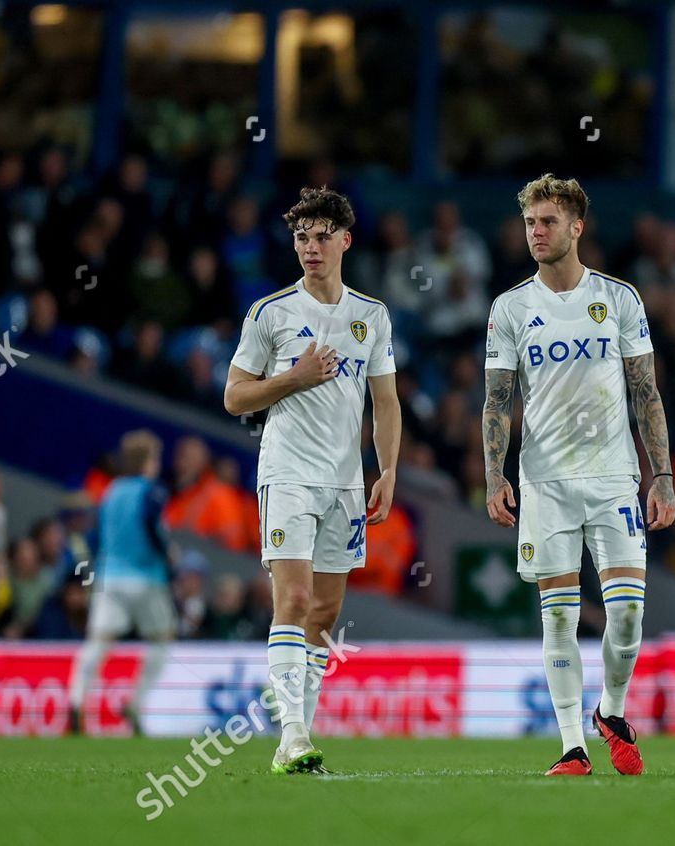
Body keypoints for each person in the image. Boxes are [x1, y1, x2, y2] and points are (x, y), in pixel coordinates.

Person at [482, 174, 675, 777]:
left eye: (547, 222)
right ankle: (572, 745)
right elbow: (497, 400)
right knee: (560, 615)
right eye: (529, 223)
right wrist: (495, 474)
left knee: (626, 615)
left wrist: (661, 473)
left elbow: (646, 395)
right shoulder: (510, 308)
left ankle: (611, 711)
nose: (536, 233)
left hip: (614, 478)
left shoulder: (618, 300)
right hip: (544, 483)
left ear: (576, 227)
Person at [224, 186, 401, 775]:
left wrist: (389, 469)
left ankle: (295, 743)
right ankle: (294, 734)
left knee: (324, 618)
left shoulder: (369, 316)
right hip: (288, 473)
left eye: (322, 236)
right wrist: (293, 378)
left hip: (346, 483)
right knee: (293, 599)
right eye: (301, 237)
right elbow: (234, 396)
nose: (310, 247)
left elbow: (387, 401)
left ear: (345, 241)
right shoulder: (271, 313)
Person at [67, 430, 176, 736]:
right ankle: (135, 704)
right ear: (147, 461)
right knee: (161, 638)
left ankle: (76, 700)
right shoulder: (152, 490)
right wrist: (167, 553)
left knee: (100, 640)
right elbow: (152, 526)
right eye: (155, 457)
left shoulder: (111, 491)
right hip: (145, 577)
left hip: (108, 578)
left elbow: (97, 536)